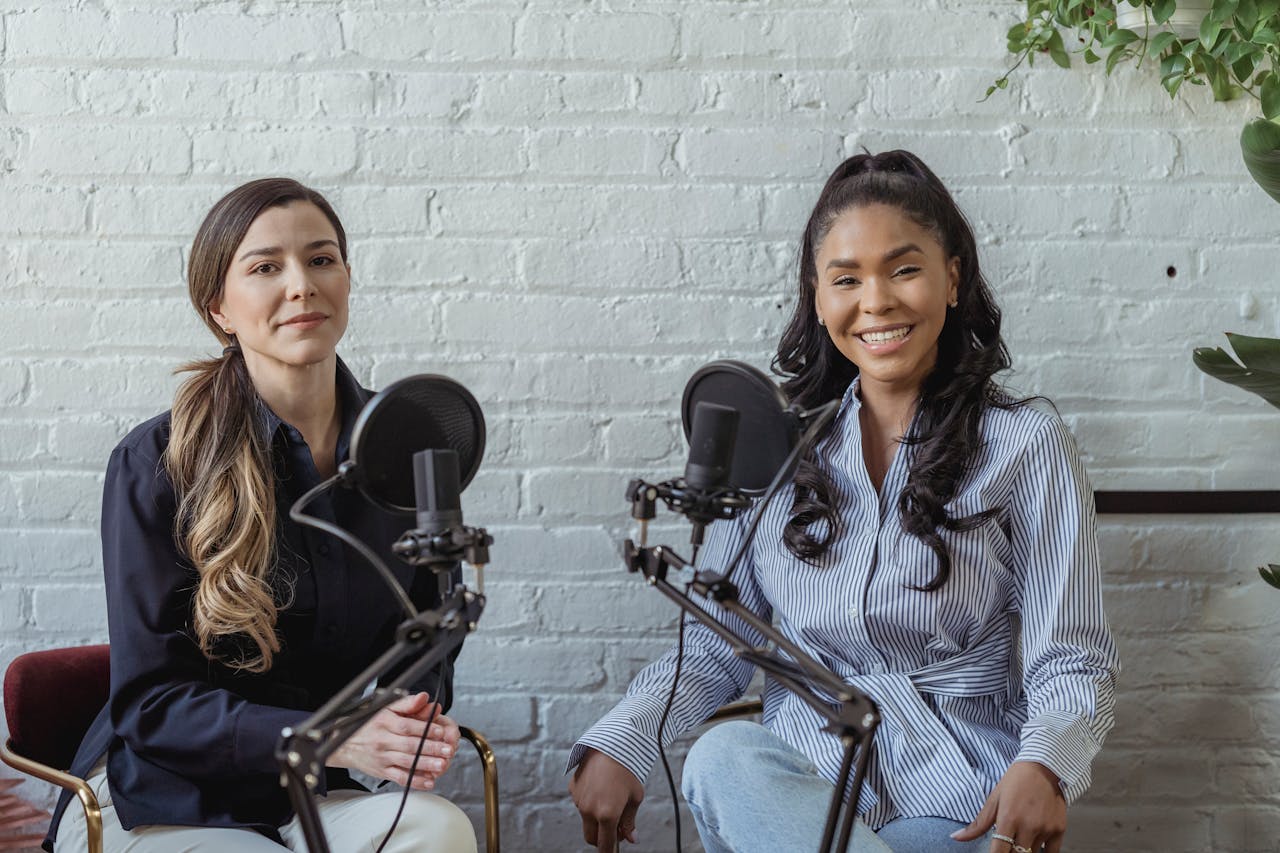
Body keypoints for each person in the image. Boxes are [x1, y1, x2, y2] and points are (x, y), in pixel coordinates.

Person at [568, 150, 1120, 853]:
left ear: (952, 278)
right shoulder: (775, 451)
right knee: (721, 757)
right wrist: (627, 736)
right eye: (847, 279)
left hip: (961, 801)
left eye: (905, 269)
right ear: (818, 295)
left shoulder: (1026, 444)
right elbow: (714, 643)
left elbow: (1070, 656)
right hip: (805, 792)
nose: (877, 301)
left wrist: (1043, 762)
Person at [44, 178, 478, 852]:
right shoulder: (155, 461)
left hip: (318, 790)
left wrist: (407, 717)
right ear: (219, 305)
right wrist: (333, 734)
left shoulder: (410, 448)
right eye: (267, 267)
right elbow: (149, 705)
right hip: (164, 794)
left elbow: (427, 642)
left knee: (440, 828)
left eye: (322, 259)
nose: (301, 284)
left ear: (347, 279)